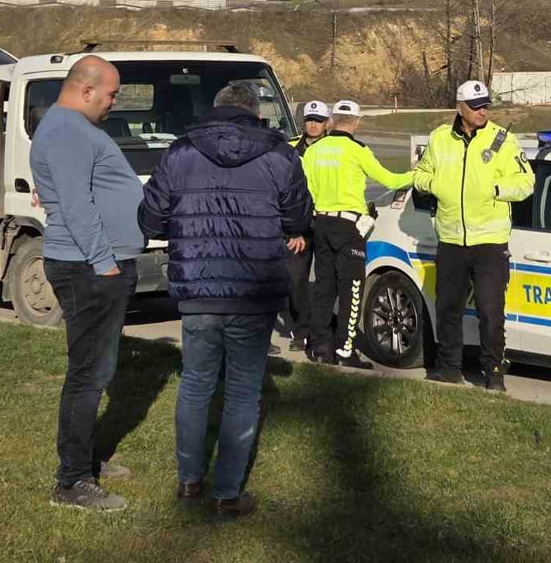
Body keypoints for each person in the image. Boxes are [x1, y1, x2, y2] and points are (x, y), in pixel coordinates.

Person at [138, 82, 311, 518]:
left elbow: (151, 219)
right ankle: (227, 491)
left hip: (197, 287)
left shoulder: (180, 151)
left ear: (214, 110)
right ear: (255, 112)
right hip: (254, 290)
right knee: (241, 390)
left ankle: (189, 479)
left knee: (195, 384)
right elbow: (298, 216)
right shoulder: (279, 153)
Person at [30, 55, 143, 513]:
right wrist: (104, 262)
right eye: (112, 94)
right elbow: (76, 204)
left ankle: (86, 457)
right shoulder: (67, 131)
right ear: (87, 89)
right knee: (87, 375)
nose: (114, 103)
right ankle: (73, 480)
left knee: (97, 370)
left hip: (95, 264)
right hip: (88, 267)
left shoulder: (70, 129)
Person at [415, 81, 534, 392]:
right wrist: (434, 184)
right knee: (448, 309)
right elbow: (421, 175)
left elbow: (526, 182)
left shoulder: (503, 140)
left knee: (490, 311)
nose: (483, 111)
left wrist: (496, 189)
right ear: (460, 107)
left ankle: (493, 374)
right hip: (452, 240)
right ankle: (448, 370)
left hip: (489, 242)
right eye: (476, 106)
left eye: (485, 106)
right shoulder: (439, 138)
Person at [303, 99, 413, 368]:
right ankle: (345, 349)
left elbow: (304, 189)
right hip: (348, 226)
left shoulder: (314, 151)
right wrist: (418, 174)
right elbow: (390, 180)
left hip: (321, 223)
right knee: (351, 288)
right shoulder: (357, 150)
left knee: (323, 288)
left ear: (331, 121)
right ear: (356, 122)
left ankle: (319, 347)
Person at [284, 100, 330, 351]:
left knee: (325, 281)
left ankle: (321, 332)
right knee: (295, 280)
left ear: (327, 123)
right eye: (310, 120)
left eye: (319, 120)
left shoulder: (335, 148)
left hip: (326, 221)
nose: (313, 124)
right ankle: (299, 331)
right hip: (297, 225)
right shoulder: (290, 149)